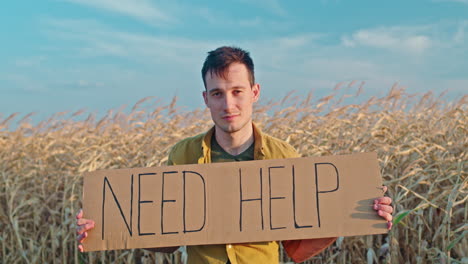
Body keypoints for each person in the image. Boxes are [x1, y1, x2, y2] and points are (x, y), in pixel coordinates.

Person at [76, 46, 394, 263]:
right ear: (206, 98)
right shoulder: (183, 154)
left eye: (237, 92)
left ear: (254, 93)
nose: (228, 105)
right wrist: (105, 223)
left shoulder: (284, 155)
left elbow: (296, 244)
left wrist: (357, 211)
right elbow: (168, 238)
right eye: (217, 94)